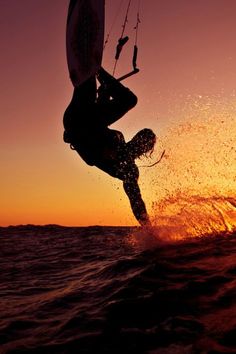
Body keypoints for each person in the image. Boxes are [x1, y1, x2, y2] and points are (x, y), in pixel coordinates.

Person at [63, 68, 156, 226]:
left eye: (144, 143)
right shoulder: (120, 140)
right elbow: (100, 116)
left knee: (128, 99)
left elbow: (135, 198)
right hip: (85, 118)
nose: (139, 142)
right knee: (92, 85)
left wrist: (147, 226)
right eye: (141, 136)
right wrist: (104, 95)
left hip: (77, 125)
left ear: (144, 150)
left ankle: (95, 69)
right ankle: (92, 68)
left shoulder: (129, 170)